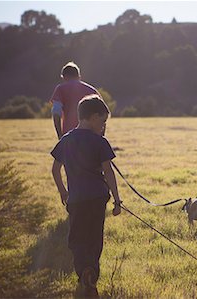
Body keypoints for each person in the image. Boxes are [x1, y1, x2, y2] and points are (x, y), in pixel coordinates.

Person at [51, 94, 121, 296]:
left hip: (77, 199)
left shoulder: (66, 140)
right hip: (98, 198)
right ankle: (92, 274)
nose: (103, 126)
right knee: (94, 238)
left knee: (77, 239)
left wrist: (63, 192)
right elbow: (108, 172)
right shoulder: (100, 141)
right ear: (92, 117)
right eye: (102, 121)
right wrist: (117, 200)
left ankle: (84, 273)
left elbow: (55, 170)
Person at [50, 61, 101, 139]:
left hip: (70, 136)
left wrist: (60, 135)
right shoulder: (92, 90)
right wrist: (100, 137)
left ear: (64, 77)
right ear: (79, 76)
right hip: (91, 136)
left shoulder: (60, 89)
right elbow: (102, 114)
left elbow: (56, 113)